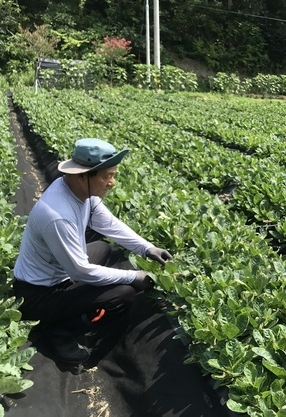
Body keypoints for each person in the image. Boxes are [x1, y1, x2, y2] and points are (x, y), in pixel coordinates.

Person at [12, 138, 173, 364]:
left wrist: (147, 248)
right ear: (82, 175)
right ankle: (59, 332)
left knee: (102, 247)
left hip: (59, 274)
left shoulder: (76, 190)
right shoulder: (58, 217)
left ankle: (67, 317)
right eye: (107, 176)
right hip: (37, 294)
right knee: (122, 295)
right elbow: (81, 272)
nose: (112, 182)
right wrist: (134, 276)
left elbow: (109, 223)